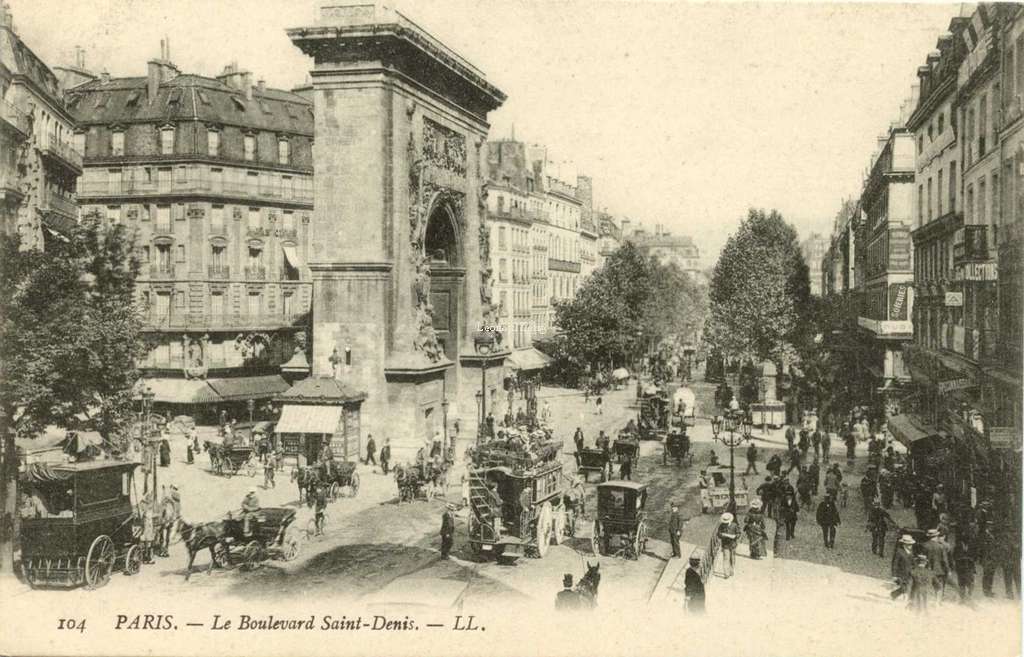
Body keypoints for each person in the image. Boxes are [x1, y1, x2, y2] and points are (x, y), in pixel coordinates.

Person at [891, 534, 916, 601]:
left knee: (908, 585)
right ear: (904, 544)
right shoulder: (899, 552)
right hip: (901, 572)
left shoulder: (911, 551)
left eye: (911, 544)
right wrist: (894, 575)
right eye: (909, 544)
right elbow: (895, 563)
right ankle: (898, 595)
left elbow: (913, 561)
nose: (911, 546)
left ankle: (895, 594)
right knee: (903, 586)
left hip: (909, 572)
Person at [953, 535, 976, 604]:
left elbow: (975, 556)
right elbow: (954, 556)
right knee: (962, 583)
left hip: (969, 567)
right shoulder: (958, 547)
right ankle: (963, 598)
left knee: (969, 583)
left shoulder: (972, 547)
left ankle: (968, 596)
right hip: (961, 568)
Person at [717, 512, 739, 578]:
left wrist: (734, 536)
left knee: (732, 558)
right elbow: (718, 534)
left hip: (733, 545)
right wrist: (723, 535)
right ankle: (726, 573)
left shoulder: (734, 525)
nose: (725, 523)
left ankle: (731, 570)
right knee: (726, 558)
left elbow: (738, 533)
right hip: (725, 545)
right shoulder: (721, 525)